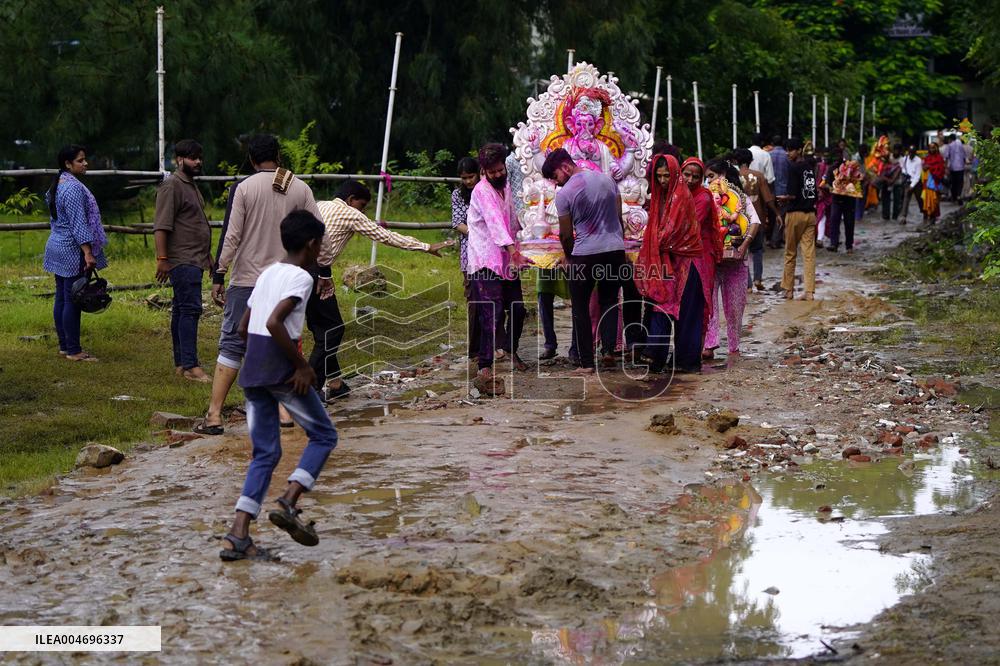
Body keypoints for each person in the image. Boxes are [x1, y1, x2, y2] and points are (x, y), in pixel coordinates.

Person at [219, 211, 338, 562]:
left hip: (253, 371)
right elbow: (274, 322)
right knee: (324, 435)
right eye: (320, 244)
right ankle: (288, 500)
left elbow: (244, 328)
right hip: (281, 371)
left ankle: (238, 535)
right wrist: (301, 366)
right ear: (312, 244)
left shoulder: (267, 273)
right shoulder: (301, 277)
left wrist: (262, 358)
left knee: (266, 454)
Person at [198, 134, 322, 435]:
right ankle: (284, 411)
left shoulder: (243, 188)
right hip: (288, 277)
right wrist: (324, 269)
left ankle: (214, 415)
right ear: (278, 156)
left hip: (248, 279)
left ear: (252, 159)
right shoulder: (300, 187)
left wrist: (219, 274)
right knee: (284, 339)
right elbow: (320, 232)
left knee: (233, 343)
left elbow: (231, 235)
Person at [313, 180, 450, 400]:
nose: (363, 211)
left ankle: (336, 383)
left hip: (299, 270)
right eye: (362, 206)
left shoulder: (320, 205)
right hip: (318, 275)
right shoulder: (350, 213)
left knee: (325, 330)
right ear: (351, 200)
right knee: (333, 331)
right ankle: (310, 387)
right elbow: (384, 236)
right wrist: (425, 246)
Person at [542, 149, 628, 374]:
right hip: (615, 250)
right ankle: (608, 351)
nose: (556, 183)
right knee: (609, 301)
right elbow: (619, 219)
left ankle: (587, 363)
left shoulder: (565, 194)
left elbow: (565, 234)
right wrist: (619, 245)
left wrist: (570, 257)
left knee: (580, 307)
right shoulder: (608, 180)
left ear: (565, 167)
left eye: (555, 177)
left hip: (585, 255)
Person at [466, 143, 532, 392]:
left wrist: (527, 244)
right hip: (485, 259)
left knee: (518, 309)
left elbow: (514, 220)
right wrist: (514, 252)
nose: (497, 174)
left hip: (507, 259)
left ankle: (512, 350)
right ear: (484, 171)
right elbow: (495, 224)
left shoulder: (507, 188)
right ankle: (485, 364)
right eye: (492, 171)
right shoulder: (482, 191)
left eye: (500, 170)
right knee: (491, 314)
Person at [634, 154, 704, 374]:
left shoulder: (681, 197)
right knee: (660, 304)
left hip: (686, 262)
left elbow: (670, 234)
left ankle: (686, 361)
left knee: (686, 314)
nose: (663, 180)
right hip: (665, 260)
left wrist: (651, 242)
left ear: (674, 174)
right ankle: (655, 356)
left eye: (666, 175)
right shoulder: (659, 197)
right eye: (659, 176)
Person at [153, 139, 212, 382]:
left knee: (180, 309)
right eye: (192, 158)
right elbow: (161, 226)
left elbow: (195, 223)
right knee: (190, 309)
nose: (198, 162)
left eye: (199, 157)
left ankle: (181, 363)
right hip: (182, 259)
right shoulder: (172, 185)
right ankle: (191, 366)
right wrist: (162, 258)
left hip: (195, 258)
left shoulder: (191, 185)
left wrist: (208, 255)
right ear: (179, 160)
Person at [43, 145, 108, 362]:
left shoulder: (59, 183)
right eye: (80, 160)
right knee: (73, 299)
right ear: (67, 164)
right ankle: (74, 350)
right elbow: (78, 224)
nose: (85, 163)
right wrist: (88, 252)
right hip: (71, 250)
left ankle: (65, 346)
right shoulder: (72, 188)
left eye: (84, 159)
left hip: (57, 245)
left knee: (62, 297)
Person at [702, 160, 761, 361]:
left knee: (735, 307)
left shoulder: (740, 198)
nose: (708, 181)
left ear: (723, 175)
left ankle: (734, 346)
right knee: (709, 305)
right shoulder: (705, 198)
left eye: (711, 176)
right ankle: (709, 344)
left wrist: (744, 245)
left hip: (736, 262)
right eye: (706, 177)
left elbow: (754, 222)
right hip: (712, 261)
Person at [680, 157, 721, 361]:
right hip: (681, 255)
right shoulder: (677, 194)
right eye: (686, 174)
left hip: (700, 256)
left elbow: (689, 226)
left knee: (698, 305)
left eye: (695, 177)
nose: (690, 180)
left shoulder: (703, 198)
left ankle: (693, 353)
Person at [733, 148, 780, 292]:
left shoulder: (733, 177)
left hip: (739, 220)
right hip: (757, 219)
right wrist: (777, 213)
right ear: (751, 161)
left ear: (736, 161)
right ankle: (758, 278)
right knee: (758, 250)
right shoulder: (759, 175)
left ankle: (748, 285)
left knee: (742, 251)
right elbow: (768, 198)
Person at [451, 157, 482, 364]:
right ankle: (475, 350)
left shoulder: (486, 190)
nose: (468, 181)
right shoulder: (458, 195)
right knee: (474, 301)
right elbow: (457, 222)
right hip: (469, 252)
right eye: (464, 178)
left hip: (491, 253)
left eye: (471, 176)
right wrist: (477, 233)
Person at [779, 137, 817, 300]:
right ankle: (809, 292)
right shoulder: (810, 168)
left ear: (799, 150)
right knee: (809, 254)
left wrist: (783, 198)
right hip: (810, 214)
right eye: (787, 150)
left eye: (791, 150)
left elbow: (792, 194)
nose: (788, 153)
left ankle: (788, 290)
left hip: (795, 214)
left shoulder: (793, 168)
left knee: (790, 253)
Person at [823, 153, 863, 253]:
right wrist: (832, 188)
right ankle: (834, 244)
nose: (836, 160)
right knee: (834, 220)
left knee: (849, 222)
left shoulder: (851, 167)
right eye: (835, 158)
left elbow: (858, 180)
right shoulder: (831, 169)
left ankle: (849, 246)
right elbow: (826, 183)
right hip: (836, 199)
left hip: (849, 200)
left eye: (838, 158)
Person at [767, 136, 790, 248]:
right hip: (783, 190)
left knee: (771, 214)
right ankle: (775, 240)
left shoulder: (768, 155)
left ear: (772, 143)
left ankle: (769, 238)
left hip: (770, 190)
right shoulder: (787, 156)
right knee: (781, 215)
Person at [922, 142, 946, 224]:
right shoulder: (927, 158)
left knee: (935, 201)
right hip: (927, 183)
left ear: (936, 148)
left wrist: (930, 167)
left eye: (933, 147)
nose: (932, 149)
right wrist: (925, 167)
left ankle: (934, 217)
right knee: (928, 200)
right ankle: (929, 216)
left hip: (936, 182)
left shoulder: (939, 158)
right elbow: (924, 168)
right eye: (930, 147)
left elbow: (941, 170)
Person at [879, 144, 904, 221]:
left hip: (897, 182)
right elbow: (883, 167)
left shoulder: (902, 160)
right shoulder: (888, 156)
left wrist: (892, 180)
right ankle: (885, 216)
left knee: (897, 200)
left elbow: (899, 170)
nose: (896, 152)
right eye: (895, 150)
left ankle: (895, 217)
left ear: (900, 151)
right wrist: (887, 180)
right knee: (885, 199)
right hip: (886, 181)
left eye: (898, 150)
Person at [899, 145, 923, 225]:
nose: (911, 154)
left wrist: (912, 186)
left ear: (915, 153)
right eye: (910, 152)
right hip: (908, 181)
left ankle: (925, 213)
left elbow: (918, 175)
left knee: (920, 199)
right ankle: (903, 217)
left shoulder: (918, 161)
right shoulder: (905, 159)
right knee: (906, 199)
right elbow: (902, 168)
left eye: (913, 152)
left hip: (917, 183)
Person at [943, 135, 966, 203]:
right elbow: (964, 157)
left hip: (952, 167)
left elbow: (946, 157)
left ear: (950, 139)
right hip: (961, 167)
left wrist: (946, 168)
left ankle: (954, 197)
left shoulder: (949, 146)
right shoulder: (961, 145)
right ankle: (959, 195)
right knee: (960, 182)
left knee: (953, 182)